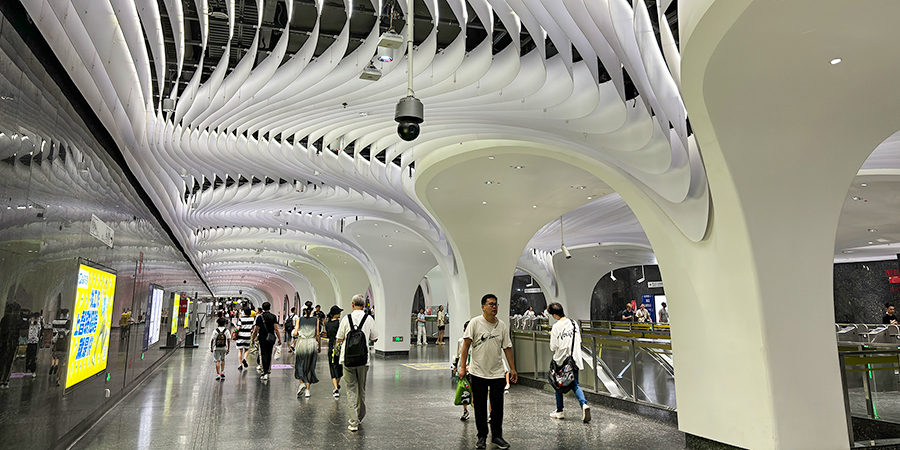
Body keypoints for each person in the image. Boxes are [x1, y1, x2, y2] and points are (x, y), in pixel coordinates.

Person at [458, 294, 518, 450]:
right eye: (491, 304)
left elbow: (507, 348)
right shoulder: (475, 323)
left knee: (498, 406)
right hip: (478, 372)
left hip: (497, 372)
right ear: (483, 307)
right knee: (479, 406)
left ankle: (497, 436)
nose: (494, 307)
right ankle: (482, 436)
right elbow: (465, 346)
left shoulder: (502, 326)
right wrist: (463, 367)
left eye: (496, 304)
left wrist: (512, 368)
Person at [337, 294, 378, 432]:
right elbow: (375, 338)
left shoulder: (345, 318)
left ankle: (353, 422)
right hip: (363, 359)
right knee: (362, 388)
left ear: (352, 304)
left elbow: (339, 338)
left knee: (350, 389)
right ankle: (360, 416)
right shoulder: (369, 318)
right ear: (364, 305)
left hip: (347, 359)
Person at [546, 302, 591, 423]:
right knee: (575, 384)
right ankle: (584, 404)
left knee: (558, 384)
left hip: (560, 360)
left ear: (555, 315)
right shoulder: (573, 323)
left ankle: (559, 411)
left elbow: (553, 346)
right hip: (574, 360)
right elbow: (579, 340)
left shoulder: (556, 327)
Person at [294, 301, 320, 397]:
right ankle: (308, 391)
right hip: (312, 343)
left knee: (300, 364)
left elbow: (296, 333)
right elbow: (317, 334)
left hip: (302, 342)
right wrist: (319, 346)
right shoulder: (316, 319)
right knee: (310, 366)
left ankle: (302, 383)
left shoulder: (299, 319)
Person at [251, 302, 282, 380]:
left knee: (262, 354)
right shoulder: (273, 317)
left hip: (262, 338)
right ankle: (268, 370)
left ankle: (264, 372)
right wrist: (279, 338)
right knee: (269, 353)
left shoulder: (259, 317)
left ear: (262, 308)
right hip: (271, 338)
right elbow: (276, 328)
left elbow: (256, 330)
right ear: (270, 308)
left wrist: (253, 339)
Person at [324, 305, 344, 397]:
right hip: (338, 347)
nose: (340, 313)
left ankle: (336, 387)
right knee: (339, 367)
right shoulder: (338, 323)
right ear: (335, 314)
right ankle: (336, 387)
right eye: (339, 312)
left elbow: (327, 335)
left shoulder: (327, 323)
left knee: (332, 366)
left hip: (331, 346)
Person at [454, 320, 472, 421]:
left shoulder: (475, 342)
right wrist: (456, 366)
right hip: (463, 368)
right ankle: (465, 411)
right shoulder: (460, 341)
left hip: (473, 369)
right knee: (463, 390)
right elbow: (458, 355)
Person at [235, 307, 254, 371]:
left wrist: (235, 325)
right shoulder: (252, 319)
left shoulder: (241, 319)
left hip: (240, 336)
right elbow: (252, 328)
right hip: (248, 336)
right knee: (247, 349)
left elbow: (238, 328)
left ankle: (240, 365)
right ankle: (245, 359)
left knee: (240, 351)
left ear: (244, 312)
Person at [25, 312, 43, 377]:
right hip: (32, 341)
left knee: (31, 355)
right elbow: (39, 332)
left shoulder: (34, 323)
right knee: (31, 355)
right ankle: (30, 368)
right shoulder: (31, 323)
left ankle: (30, 368)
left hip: (32, 341)